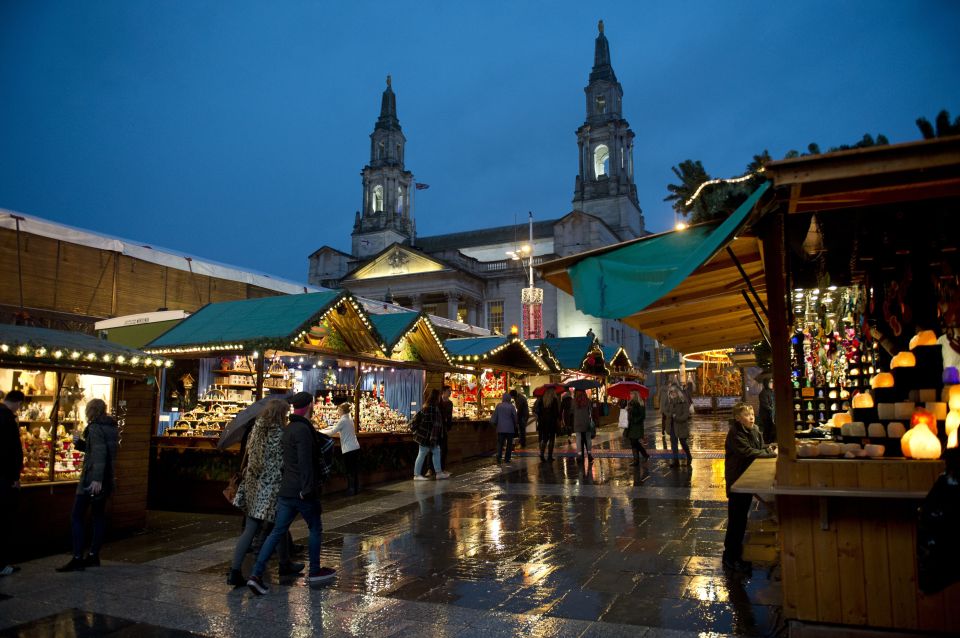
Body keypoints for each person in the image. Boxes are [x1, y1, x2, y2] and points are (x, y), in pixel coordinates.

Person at [247, 392, 336, 595]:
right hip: (301, 491)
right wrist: (307, 488)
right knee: (315, 528)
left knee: (277, 531)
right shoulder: (303, 430)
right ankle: (315, 570)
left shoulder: (288, 429)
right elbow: (305, 462)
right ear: (310, 406)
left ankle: (256, 574)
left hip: (286, 490)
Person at [227, 399, 302, 587]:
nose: (286, 417)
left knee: (253, 529)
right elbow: (282, 462)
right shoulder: (279, 434)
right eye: (285, 414)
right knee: (276, 527)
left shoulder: (255, 430)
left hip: (252, 486)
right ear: (279, 415)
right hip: (270, 488)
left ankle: (235, 570)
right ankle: (272, 567)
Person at [56, 399, 118, 572]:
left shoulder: (95, 427)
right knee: (98, 517)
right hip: (106, 479)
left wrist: (96, 479)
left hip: (92, 480)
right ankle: (93, 555)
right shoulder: (110, 427)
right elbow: (97, 449)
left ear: (90, 410)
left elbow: (99, 453)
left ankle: (77, 557)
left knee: (76, 516)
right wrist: (79, 443)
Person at [723, 402, 776, 574]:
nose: (751, 416)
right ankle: (730, 558)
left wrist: (769, 447)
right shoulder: (735, 433)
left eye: (752, 413)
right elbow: (747, 452)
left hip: (746, 480)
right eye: (747, 414)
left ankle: (736, 555)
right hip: (737, 481)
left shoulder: (754, 430)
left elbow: (758, 448)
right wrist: (769, 453)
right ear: (738, 418)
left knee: (742, 519)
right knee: (736, 521)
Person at [0, 390, 24, 577]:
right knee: (5, 522)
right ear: (18, 403)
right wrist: (15, 477)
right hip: (5, 480)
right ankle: (2, 564)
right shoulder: (8, 420)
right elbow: (13, 450)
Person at [320, 402, 360, 495]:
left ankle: (351, 489)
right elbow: (335, 428)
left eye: (338, 410)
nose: (337, 411)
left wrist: (320, 432)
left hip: (348, 448)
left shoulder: (343, 420)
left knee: (349, 470)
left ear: (342, 410)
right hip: (355, 446)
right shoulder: (349, 418)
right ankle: (356, 488)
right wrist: (326, 429)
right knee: (354, 469)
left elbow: (332, 432)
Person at [411, 389, 449, 480]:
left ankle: (437, 473)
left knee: (433, 452)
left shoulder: (426, 406)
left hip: (425, 435)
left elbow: (416, 420)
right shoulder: (432, 408)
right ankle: (417, 474)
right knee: (425, 453)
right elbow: (433, 424)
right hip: (428, 436)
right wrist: (432, 437)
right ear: (437, 397)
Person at [422, 386, 453, 477]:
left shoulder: (449, 403)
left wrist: (448, 427)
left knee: (443, 450)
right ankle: (432, 469)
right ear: (443, 392)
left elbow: (449, 417)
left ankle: (441, 469)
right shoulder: (437, 403)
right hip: (435, 429)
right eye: (448, 391)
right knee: (432, 450)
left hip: (443, 429)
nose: (450, 393)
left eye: (450, 391)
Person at [665, 383, 693, 467]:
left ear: (677, 392)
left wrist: (677, 417)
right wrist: (669, 415)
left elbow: (686, 415)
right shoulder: (670, 402)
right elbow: (666, 412)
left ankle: (689, 455)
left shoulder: (683, 401)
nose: (672, 394)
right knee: (673, 444)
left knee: (683, 442)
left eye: (674, 392)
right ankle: (675, 461)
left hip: (681, 426)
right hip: (672, 426)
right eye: (671, 392)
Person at [534, 387, 560, 462]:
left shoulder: (542, 400)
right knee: (552, 439)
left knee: (545, 438)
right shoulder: (554, 400)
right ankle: (549, 456)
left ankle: (542, 454)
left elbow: (538, 411)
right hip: (552, 422)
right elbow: (556, 413)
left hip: (543, 422)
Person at [491, 392, 518, 464]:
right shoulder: (512, 407)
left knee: (500, 443)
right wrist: (515, 425)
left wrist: (493, 423)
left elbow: (494, 417)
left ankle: (499, 456)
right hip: (510, 428)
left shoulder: (498, 406)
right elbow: (515, 417)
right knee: (509, 444)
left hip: (500, 428)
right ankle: (507, 458)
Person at [626, 390, 650, 466]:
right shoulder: (630, 403)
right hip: (630, 425)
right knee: (633, 443)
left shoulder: (640, 403)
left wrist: (635, 420)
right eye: (630, 394)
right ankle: (636, 460)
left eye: (632, 394)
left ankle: (644, 455)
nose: (630, 395)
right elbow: (629, 414)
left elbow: (643, 416)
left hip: (637, 426)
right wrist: (627, 410)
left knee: (634, 442)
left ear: (635, 395)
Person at [572, 389, 596, 463]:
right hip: (586, 421)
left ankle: (579, 455)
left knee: (578, 438)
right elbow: (591, 410)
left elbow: (571, 411)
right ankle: (589, 454)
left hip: (577, 422)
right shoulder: (587, 400)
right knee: (588, 438)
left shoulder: (573, 401)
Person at [757, 378, 776, 446]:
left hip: (771, 414)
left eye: (772, 381)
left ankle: (771, 442)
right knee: (767, 429)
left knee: (771, 428)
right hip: (766, 415)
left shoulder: (772, 392)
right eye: (770, 382)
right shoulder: (763, 393)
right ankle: (766, 443)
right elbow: (765, 404)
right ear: (766, 383)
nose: (771, 383)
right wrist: (771, 409)